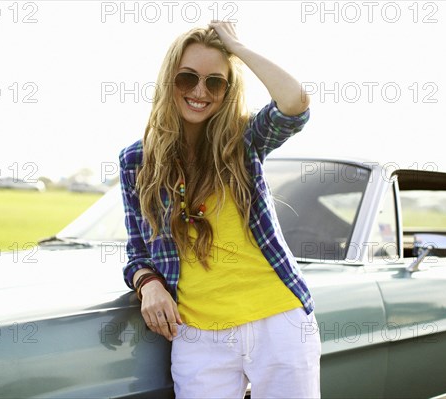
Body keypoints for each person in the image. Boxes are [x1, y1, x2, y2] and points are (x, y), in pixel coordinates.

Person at [119, 21, 321, 398]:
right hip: (197, 334)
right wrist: (148, 285)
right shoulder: (137, 161)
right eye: (187, 78)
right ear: (169, 82)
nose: (200, 92)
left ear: (227, 90)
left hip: (278, 320)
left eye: (215, 82)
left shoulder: (244, 140)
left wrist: (236, 47)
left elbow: (295, 103)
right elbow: (137, 252)